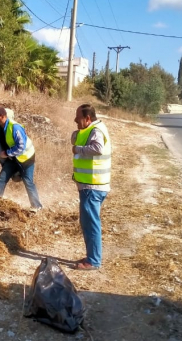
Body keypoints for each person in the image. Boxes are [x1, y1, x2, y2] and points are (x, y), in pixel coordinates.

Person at [71, 104, 111, 270]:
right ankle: (92, 256)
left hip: (93, 186)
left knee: (91, 223)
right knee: (88, 222)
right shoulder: (92, 128)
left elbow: (98, 149)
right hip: (92, 185)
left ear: (88, 118)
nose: (75, 120)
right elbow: (75, 138)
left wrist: (78, 149)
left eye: (78, 117)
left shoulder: (95, 130)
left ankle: (93, 261)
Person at [0, 107, 43, 212]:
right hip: (11, 158)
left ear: (2, 117)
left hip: (26, 159)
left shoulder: (15, 127)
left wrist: (6, 153)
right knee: (1, 178)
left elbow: (21, 147)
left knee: (28, 182)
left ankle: (37, 207)